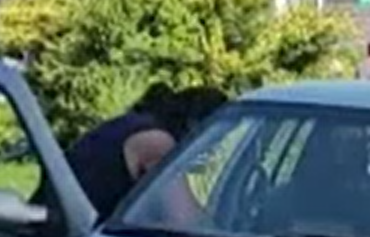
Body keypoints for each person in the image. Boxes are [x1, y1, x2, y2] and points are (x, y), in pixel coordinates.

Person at [43, 83, 230, 221]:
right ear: (195, 126)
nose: (209, 151)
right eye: (213, 140)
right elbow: (184, 218)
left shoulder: (135, 123)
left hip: (55, 222)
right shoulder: (157, 142)